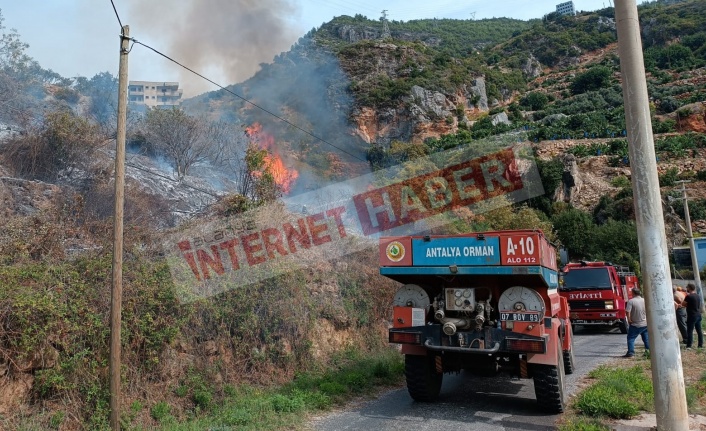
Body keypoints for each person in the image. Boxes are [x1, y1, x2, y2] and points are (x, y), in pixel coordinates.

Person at [624, 287, 649, 358]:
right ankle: (648, 351)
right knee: (646, 338)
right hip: (645, 323)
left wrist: (629, 320)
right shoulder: (645, 300)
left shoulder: (631, 301)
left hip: (636, 324)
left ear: (633, 293)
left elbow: (627, 311)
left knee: (630, 338)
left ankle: (631, 353)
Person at [684, 283, 703, 349]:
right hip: (698, 314)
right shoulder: (697, 296)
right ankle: (700, 345)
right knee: (699, 331)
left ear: (689, 288)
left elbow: (683, 304)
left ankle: (689, 345)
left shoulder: (688, 296)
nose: (686, 289)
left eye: (687, 288)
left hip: (692, 315)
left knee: (690, 331)